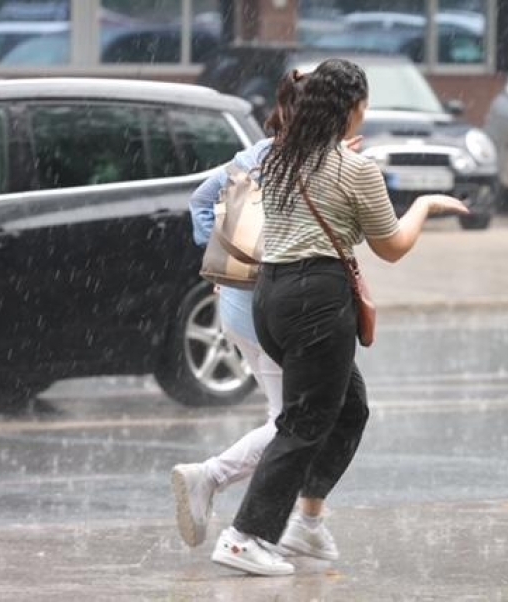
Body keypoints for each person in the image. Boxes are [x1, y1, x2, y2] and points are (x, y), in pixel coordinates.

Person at [209, 58, 469, 576]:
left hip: (273, 296)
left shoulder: (281, 157)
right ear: (350, 109)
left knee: (348, 408)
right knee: (303, 423)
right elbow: (392, 246)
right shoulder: (355, 168)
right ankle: (246, 536)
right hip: (316, 300)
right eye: (364, 107)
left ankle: (306, 523)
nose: (365, 116)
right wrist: (424, 206)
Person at [172, 69, 357, 561]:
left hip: (243, 303)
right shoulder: (294, 160)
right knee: (292, 423)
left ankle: (304, 522)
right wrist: (253, 260)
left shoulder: (257, 155)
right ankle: (213, 483)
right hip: (278, 308)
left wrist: (225, 255)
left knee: (316, 413)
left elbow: (201, 200)